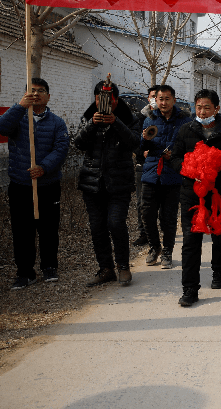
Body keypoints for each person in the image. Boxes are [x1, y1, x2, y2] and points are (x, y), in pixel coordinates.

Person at [170, 89, 221, 306]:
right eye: (198, 107)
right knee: (191, 242)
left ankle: (218, 272)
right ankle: (190, 289)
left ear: (217, 109)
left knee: (219, 235)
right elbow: (175, 158)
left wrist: (214, 170)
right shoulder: (185, 131)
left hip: (218, 194)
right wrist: (190, 169)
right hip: (191, 196)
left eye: (207, 108)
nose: (202, 112)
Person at [0, 78, 70, 290]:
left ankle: (49, 267)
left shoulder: (57, 123)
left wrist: (43, 167)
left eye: (41, 91)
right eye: (32, 90)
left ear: (48, 96)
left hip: (48, 185)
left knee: (48, 228)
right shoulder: (18, 118)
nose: (36, 94)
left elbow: (61, 149)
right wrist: (20, 106)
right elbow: (0, 127)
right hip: (21, 184)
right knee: (22, 230)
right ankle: (25, 273)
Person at [74, 80, 141, 287]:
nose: (104, 102)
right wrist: (92, 124)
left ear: (116, 99)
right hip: (92, 183)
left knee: (116, 223)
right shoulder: (88, 118)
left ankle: (123, 266)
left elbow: (135, 143)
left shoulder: (130, 118)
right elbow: (78, 143)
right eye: (99, 98)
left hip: (119, 183)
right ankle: (106, 268)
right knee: (97, 227)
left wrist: (115, 122)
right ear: (95, 99)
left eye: (109, 98)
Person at [140, 85, 190, 269]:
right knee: (147, 214)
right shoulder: (149, 120)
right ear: (156, 100)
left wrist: (176, 156)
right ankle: (154, 247)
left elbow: (190, 147)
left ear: (174, 100)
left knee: (168, 217)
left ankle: (167, 251)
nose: (163, 103)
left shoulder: (185, 121)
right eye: (160, 99)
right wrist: (145, 140)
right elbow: (141, 148)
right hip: (151, 174)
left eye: (167, 99)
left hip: (173, 175)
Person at [132, 85, 160, 247]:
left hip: (162, 164)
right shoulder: (139, 117)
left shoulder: (166, 117)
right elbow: (132, 138)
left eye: (158, 96)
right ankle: (144, 233)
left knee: (161, 202)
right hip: (143, 166)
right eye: (152, 96)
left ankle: (160, 231)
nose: (155, 99)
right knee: (142, 202)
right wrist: (141, 151)